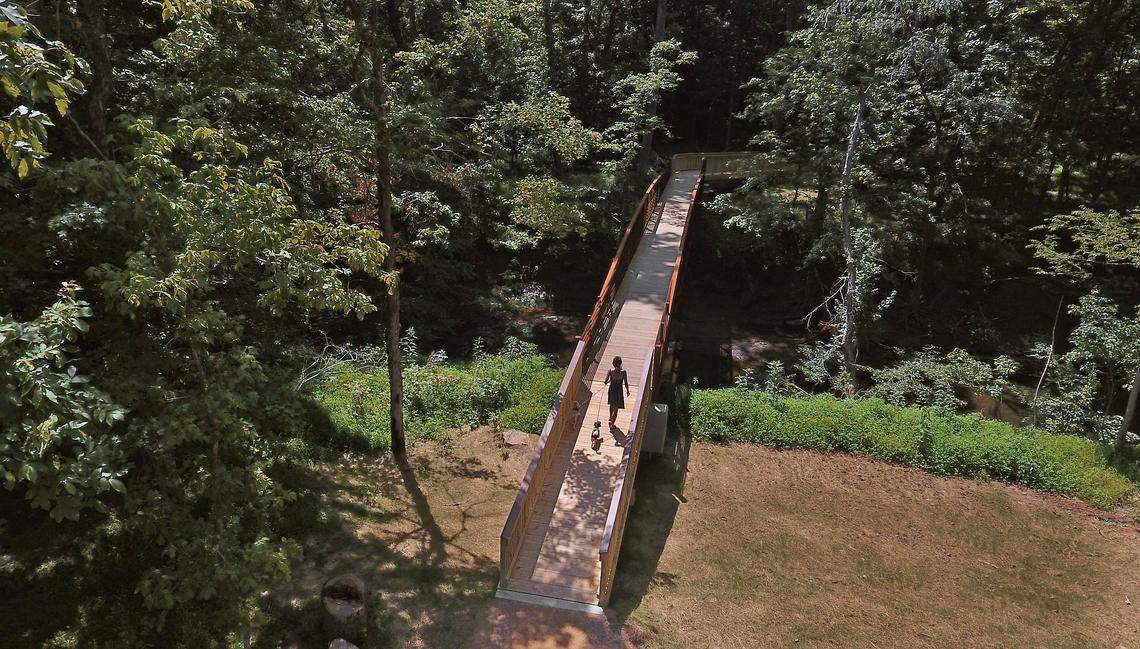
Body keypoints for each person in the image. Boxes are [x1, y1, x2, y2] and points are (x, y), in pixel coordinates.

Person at [604, 356, 630, 429]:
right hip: (619, 392)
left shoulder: (610, 371)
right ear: (621, 363)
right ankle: (612, 424)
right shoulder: (623, 372)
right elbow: (626, 383)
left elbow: (605, 382)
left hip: (611, 390)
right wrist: (628, 391)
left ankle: (610, 417)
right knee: (616, 409)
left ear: (613, 363)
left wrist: (610, 380)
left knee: (611, 404)